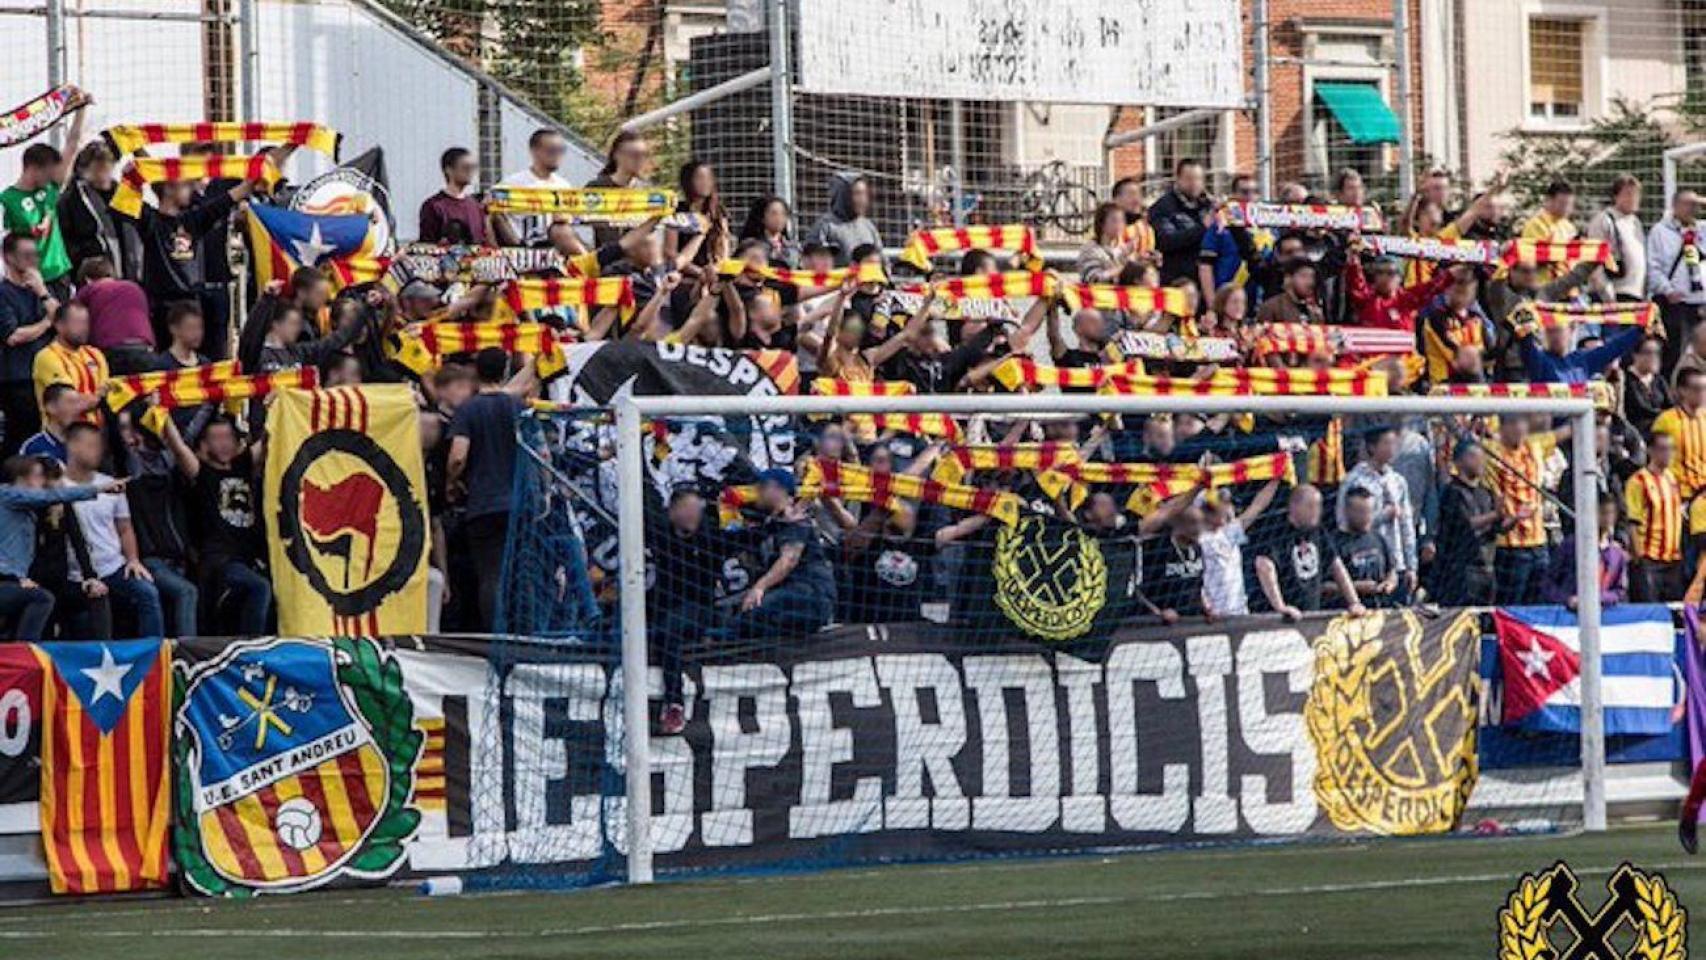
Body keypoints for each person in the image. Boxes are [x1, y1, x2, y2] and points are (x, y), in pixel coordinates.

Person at [127, 154, 283, 338]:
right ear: (168, 188)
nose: (191, 189)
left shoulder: (192, 221)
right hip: (162, 308)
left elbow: (226, 200)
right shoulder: (150, 220)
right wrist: (132, 175)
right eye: (185, 184)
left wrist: (258, 174)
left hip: (193, 304)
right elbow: (125, 198)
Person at [446, 348, 535, 629]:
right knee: (523, 572)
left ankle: (496, 636)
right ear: (505, 370)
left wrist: (451, 481)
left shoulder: (468, 410)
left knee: (491, 574)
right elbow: (537, 454)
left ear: (476, 372)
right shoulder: (520, 408)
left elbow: (458, 456)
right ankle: (526, 631)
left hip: (483, 505)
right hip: (521, 503)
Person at [160, 413, 271, 634]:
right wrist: (161, 414)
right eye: (216, 438)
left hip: (248, 557)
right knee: (260, 587)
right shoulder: (202, 473)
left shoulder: (244, 465)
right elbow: (179, 448)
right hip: (219, 561)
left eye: (228, 437)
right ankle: (250, 645)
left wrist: (277, 404)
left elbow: (269, 438)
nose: (223, 444)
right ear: (204, 443)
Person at [60, 422, 163, 637]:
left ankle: (153, 654)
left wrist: (133, 559)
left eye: (98, 446)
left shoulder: (111, 484)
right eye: (90, 445)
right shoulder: (57, 486)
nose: (96, 451)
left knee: (148, 593)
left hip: (113, 566)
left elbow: (124, 527)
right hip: (75, 573)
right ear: (72, 446)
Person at [0, 454, 118, 640]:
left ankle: (104, 654)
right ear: (21, 478)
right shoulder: (7, 494)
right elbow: (52, 495)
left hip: (42, 579)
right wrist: (99, 488)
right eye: (38, 476)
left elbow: (78, 540)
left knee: (94, 594)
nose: (43, 481)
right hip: (11, 578)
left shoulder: (28, 507)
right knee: (42, 598)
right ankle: (25, 653)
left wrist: (90, 576)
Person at [646, 486, 734, 735]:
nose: (694, 515)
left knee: (668, 632)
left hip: (700, 609)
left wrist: (779, 523)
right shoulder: (657, 534)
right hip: (661, 607)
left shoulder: (710, 536)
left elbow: (742, 539)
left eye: (697, 510)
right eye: (688, 509)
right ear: (673, 511)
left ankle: (674, 702)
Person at [115, 406, 196, 636]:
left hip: (179, 558)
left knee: (174, 607)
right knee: (186, 592)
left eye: (133, 430)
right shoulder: (133, 471)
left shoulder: (170, 468)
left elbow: (185, 440)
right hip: (151, 558)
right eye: (124, 430)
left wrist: (211, 402)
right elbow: (118, 442)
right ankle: (186, 653)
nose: (131, 438)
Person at [732, 468, 835, 638]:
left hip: (810, 593)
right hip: (789, 596)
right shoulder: (772, 525)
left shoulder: (797, 519)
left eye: (763, 486)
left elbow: (789, 560)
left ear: (779, 490)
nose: (758, 491)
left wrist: (759, 587)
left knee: (749, 617)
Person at [1, 94, 85, 297]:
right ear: (33, 169)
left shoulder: (50, 190)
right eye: (48, 172)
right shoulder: (7, 200)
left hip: (59, 275)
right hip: (29, 281)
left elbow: (72, 146)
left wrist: (81, 110)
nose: (52, 177)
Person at [1483, 415, 1566, 605]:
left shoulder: (1534, 446)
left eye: (1522, 422)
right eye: (1512, 422)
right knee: (1511, 604)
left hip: (1539, 542)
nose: (1519, 428)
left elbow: (1560, 434)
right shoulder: (1492, 452)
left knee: (1537, 601)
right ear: (1502, 429)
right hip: (1510, 544)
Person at [1253, 484, 1365, 620]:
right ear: (1294, 506)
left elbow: (1337, 566)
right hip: (1282, 618)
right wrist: (1280, 607)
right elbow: (1264, 566)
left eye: (1319, 506)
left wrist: (1354, 602)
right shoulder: (1275, 532)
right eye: (1311, 506)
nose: (1316, 511)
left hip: (1311, 613)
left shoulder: (1318, 531)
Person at [1336, 426, 1418, 602]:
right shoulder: (1355, 480)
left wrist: (1411, 565)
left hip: (1397, 563)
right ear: (1372, 447)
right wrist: (1381, 516)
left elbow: (1406, 524)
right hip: (1368, 561)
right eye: (1386, 443)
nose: (1392, 448)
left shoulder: (1397, 481)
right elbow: (1344, 521)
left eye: (1394, 443)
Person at [0, 233, 58, 454]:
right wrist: (45, 323)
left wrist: (43, 292)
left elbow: (63, 320)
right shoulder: (3, 293)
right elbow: (13, 335)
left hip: (45, 374)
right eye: (26, 255)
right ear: (8, 257)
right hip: (18, 377)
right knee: (20, 435)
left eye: (35, 255)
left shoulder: (40, 291)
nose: (32, 261)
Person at [1197, 479, 1280, 618]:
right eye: (1222, 505)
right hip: (1212, 617)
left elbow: (1258, 505)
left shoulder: (1230, 532)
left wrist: (1277, 477)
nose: (1229, 509)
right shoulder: (1198, 539)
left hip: (1240, 613)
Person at [1432, 441, 1501, 606]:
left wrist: (1514, 518)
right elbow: (1467, 524)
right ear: (1460, 461)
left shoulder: (1486, 492)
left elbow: (1498, 527)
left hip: (1487, 568)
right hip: (1460, 570)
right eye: (1474, 457)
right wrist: (1495, 514)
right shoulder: (1453, 492)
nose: (1480, 462)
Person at [1647, 188, 1705, 373]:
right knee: (1675, 352)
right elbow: (1653, 266)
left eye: (1696, 205)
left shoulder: (1702, 229)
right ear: (1675, 206)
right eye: (1688, 204)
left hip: (1701, 301)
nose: (1692, 209)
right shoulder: (1661, 231)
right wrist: (1667, 289)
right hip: (1675, 302)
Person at [1651, 368, 1706, 560]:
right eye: (1697, 388)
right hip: (1678, 499)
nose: (1702, 394)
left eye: (1704, 389)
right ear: (1682, 391)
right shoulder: (1667, 421)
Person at [57, 139, 131, 281]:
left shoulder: (123, 195)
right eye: (99, 168)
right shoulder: (72, 199)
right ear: (85, 170)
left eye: (108, 167)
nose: (104, 174)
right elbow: (65, 238)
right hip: (92, 273)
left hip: (126, 269)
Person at [1626, 431, 1685, 602]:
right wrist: (1640, 558)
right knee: (1649, 610)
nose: (1668, 454)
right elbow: (1632, 523)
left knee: (1674, 612)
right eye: (1663, 449)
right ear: (1651, 451)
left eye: (1671, 449)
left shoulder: (1671, 478)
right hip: (1650, 560)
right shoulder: (1638, 481)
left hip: (1672, 559)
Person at [496, 128, 578, 248]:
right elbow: (496, 216)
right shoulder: (513, 184)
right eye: (551, 150)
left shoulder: (564, 186)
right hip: (526, 250)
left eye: (561, 150)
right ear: (534, 151)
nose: (557, 155)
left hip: (558, 249)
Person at [1541, 494, 1627, 609]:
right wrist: (1567, 599)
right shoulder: (1570, 546)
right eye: (1602, 512)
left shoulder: (1617, 554)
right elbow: (1548, 584)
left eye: (1610, 513)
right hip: (1567, 616)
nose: (1607, 518)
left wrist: (1601, 598)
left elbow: (1619, 591)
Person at [72, 256, 153, 373]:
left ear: (87, 279)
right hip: (144, 347)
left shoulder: (88, 291)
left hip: (110, 350)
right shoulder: (135, 287)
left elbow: (73, 320)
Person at [31, 301, 107, 423]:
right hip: (62, 435)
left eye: (86, 323)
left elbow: (106, 392)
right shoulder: (47, 357)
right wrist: (100, 398)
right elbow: (71, 404)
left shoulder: (95, 354)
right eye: (77, 323)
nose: (84, 328)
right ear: (59, 326)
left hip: (95, 435)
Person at [1148, 159, 1212, 287]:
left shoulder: (1208, 206)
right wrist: (1203, 228)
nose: (1194, 184)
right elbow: (1166, 240)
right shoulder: (1164, 207)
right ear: (1178, 179)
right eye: (1189, 179)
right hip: (1177, 279)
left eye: (1198, 179)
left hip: (1206, 279)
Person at [583, 129, 652, 247]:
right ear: (617, 155)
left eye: (644, 154)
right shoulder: (597, 188)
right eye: (634, 155)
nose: (640, 160)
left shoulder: (646, 191)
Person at [1331, 487, 1397, 608]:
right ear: (1347, 511)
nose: (1367, 517)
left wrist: (1389, 583)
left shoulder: (1378, 538)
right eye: (1361, 512)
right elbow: (1323, 587)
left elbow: (1392, 570)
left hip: (1380, 609)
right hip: (1346, 612)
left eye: (1370, 511)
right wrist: (1357, 587)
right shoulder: (1334, 543)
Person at [1587, 173, 1647, 302]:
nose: (1633, 199)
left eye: (1636, 194)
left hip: (1635, 292)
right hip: (1612, 294)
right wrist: (1605, 291)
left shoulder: (1636, 223)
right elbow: (1593, 258)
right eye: (1628, 194)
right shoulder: (1604, 220)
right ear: (1616, 196)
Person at [807, 172, 882, 266]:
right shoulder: (825, 227)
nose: (863, 199)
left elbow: (882, 261)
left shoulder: (868, 227)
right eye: (857, 194)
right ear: (843, 195)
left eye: (865, 194)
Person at [418, 146, 488, 245]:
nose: (470, 172)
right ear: (449, 170)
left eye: (473, 167)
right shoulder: (434, 206)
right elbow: (427, 245)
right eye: (465, 167)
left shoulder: (476, 206)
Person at [19, 383, 82, 462]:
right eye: (70, 402)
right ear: (51, 407)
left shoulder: (85, 444)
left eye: (78, 403)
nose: (77, 409)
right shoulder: (33, 448)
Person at [1624, 335, 1673, 434]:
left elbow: (1670, 405)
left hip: (1662, 430)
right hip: (1638, 431)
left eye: (1657, 353)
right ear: (1636, 355)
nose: (1653, 357)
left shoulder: (1659, 380)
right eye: (1649, 353)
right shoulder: (1626, 380)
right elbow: (1641, 409)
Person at [1078, 202, 1134, 284]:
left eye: (1122, 221)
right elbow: (1093, 278)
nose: (1120, 225)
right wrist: (1124, 269)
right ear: (1102, 224)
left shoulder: (1122, 250)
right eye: (1114, 220)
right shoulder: (1090, 249)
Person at [738, 195, 800, 268]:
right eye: (774, 214)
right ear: (762, 217)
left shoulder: (794, 247)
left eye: (783, 214)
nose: (779, 218)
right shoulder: (751, 246)